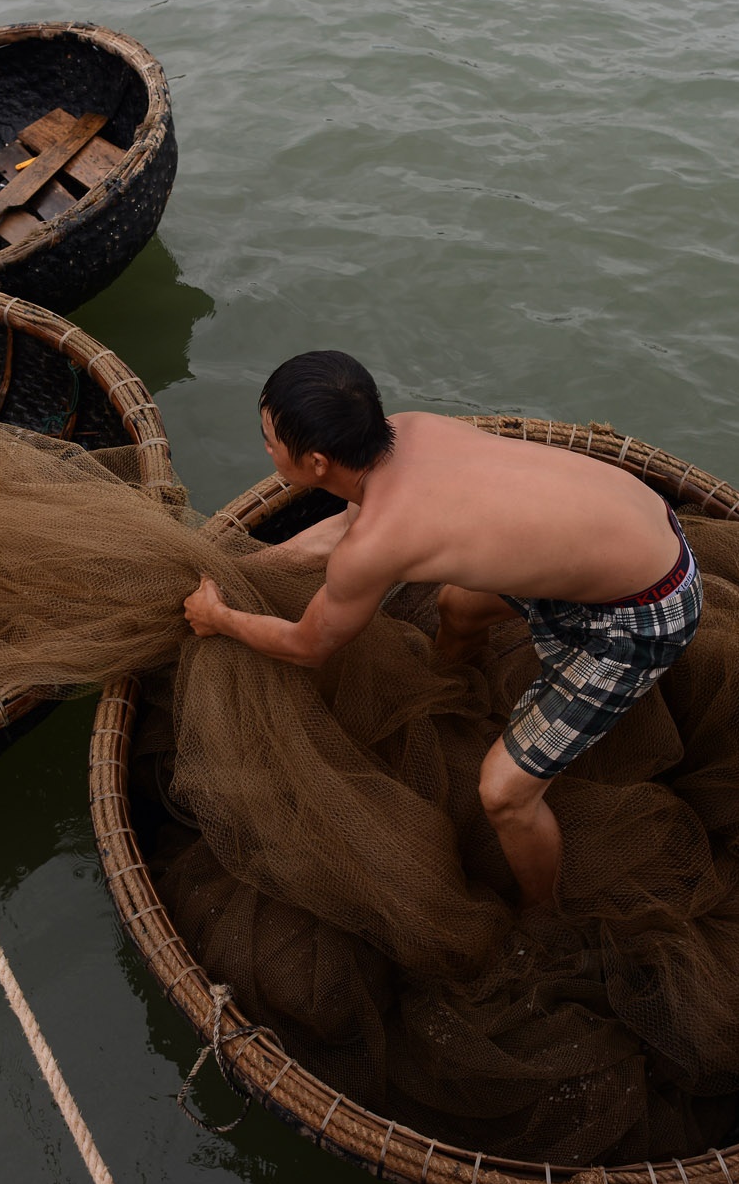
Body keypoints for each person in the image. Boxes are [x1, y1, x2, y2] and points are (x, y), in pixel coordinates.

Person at [183, 350, 703, 912]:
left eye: (268, 439)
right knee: (458, 607)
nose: (264, 447)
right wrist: (244, 571)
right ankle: (453, 698)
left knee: (502, 795)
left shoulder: (379, 541)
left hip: (647, 609)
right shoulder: (408, 429)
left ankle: (544, 915)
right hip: (638, 536)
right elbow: (349, 528)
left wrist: (220, 620)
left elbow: (308, 646)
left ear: (313, 463)